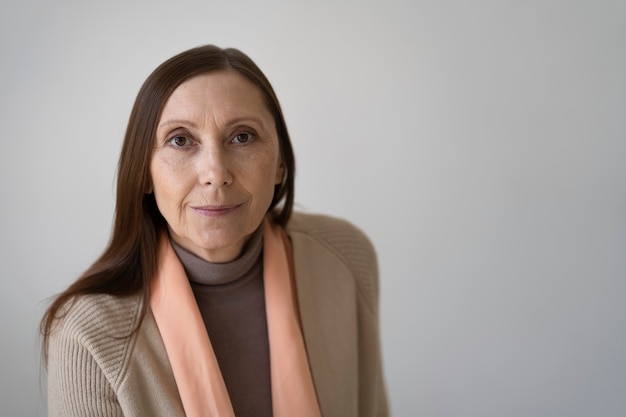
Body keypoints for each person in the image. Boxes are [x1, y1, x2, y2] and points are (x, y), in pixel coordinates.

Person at [40, 44, 388, 417]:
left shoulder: (345, 257)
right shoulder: (87, 335)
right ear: (144, 173)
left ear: (280, 165)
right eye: (180, 140)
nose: (215, 173)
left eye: (242, 137)